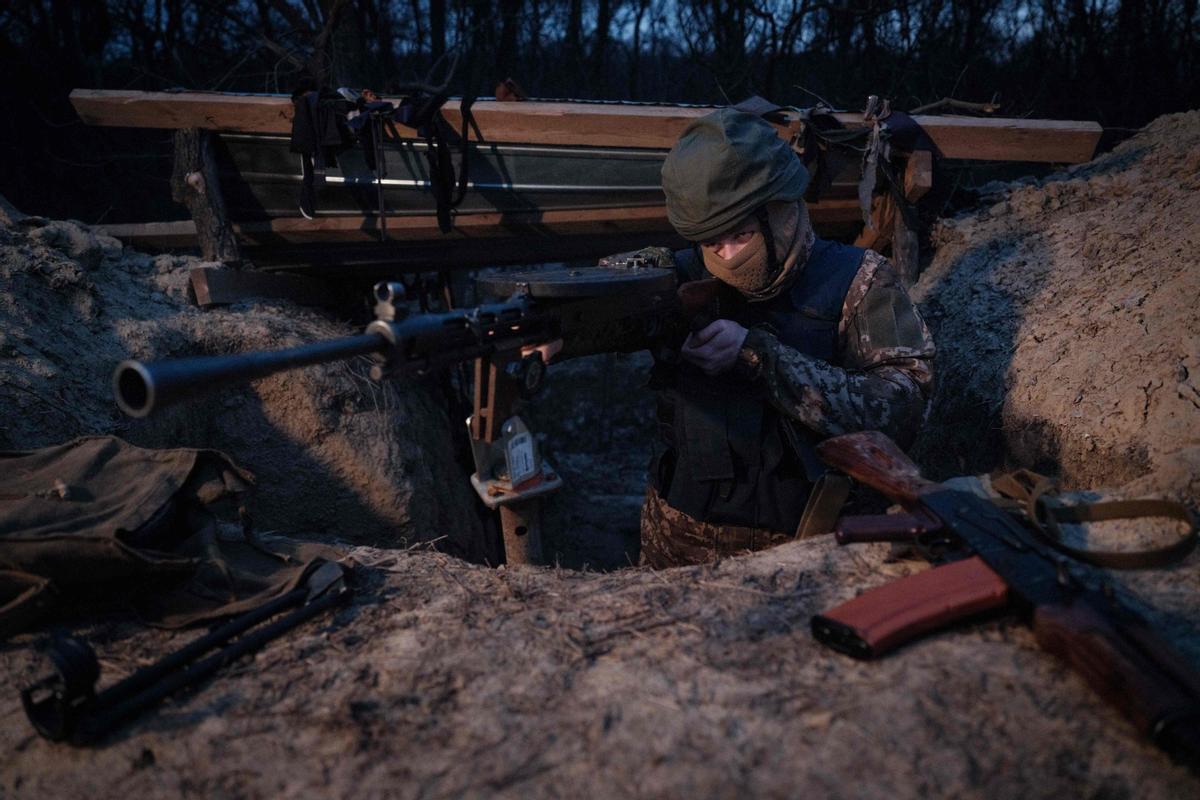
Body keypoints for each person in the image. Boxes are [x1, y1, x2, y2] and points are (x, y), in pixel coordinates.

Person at [635, 107, 936, 568]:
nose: (728, 257)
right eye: (712, 243)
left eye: (741, 235)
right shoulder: (677, 277)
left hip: (809, 549)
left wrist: (762, 357)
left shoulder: (860, 281)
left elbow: (903, 410)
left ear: (784, 212)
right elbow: (610, 306)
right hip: (675, 545)